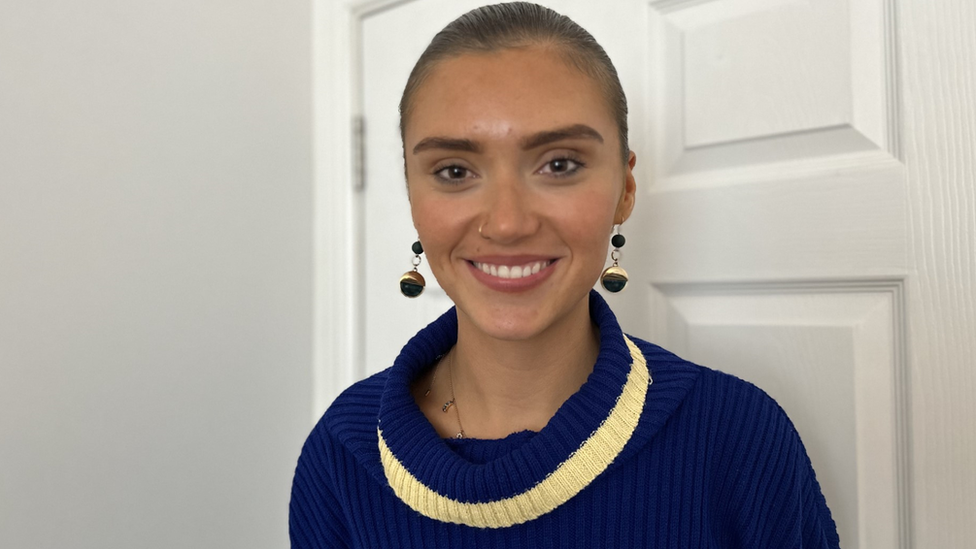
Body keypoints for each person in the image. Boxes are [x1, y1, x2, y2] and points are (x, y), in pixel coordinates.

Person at [290, 3, 841, 547]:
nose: (507, 223)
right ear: (413, 196)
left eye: (559, 164)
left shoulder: (739, 438)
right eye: (455, 171)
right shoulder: (342, 454)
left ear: (625, 189)